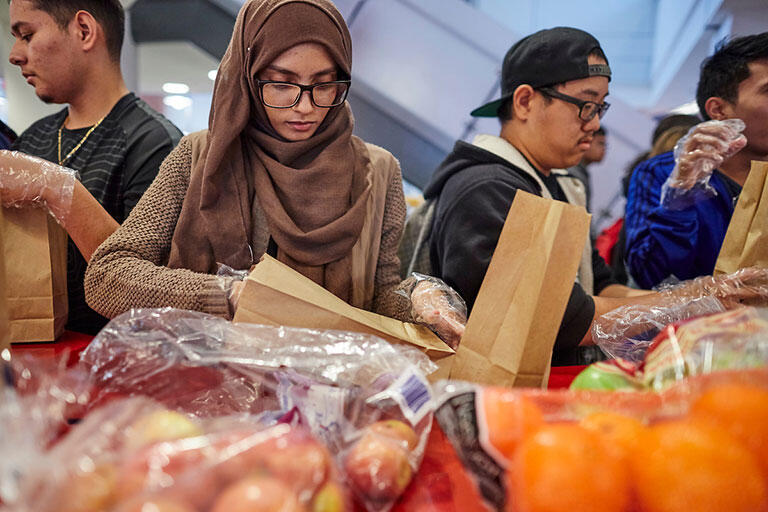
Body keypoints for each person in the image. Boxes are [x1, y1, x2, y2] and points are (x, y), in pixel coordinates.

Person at [83, 0, 463, 344]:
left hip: (325, 396)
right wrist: (228, 293)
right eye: (281, 84)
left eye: (324, 84)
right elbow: (107, 276)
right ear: (248, 77)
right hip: (208, 389)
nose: (305, 107)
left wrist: (418, 300)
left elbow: (378, 295)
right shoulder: (199, 157)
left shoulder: (378, 173)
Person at [405, 27, 767, 365]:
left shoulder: (559, 184)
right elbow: (562, 319)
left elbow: (602, 283)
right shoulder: (486, 187)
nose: (594, 124)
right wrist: (697, 300)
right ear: (525, 101)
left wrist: (706, 293)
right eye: (586, 105)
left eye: (600, 107)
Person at [0, 0, 182, 334]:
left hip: (116, 366)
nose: (15, 55)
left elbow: (152, 289)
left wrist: (54, 186)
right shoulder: (33, 139)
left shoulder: (155, 143)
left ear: (83, 31)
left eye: (27, 35)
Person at [625, 33, 768, 289]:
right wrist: (679, 199)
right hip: (693, 328)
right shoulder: (661, 173)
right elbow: (651, 277)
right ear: (719, 110)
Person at [567, 126, 606, 212]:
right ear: (586, 140)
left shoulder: (581, 172)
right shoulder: (572, 173)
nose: (604, 149)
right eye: (600, 143)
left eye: (605, 145)